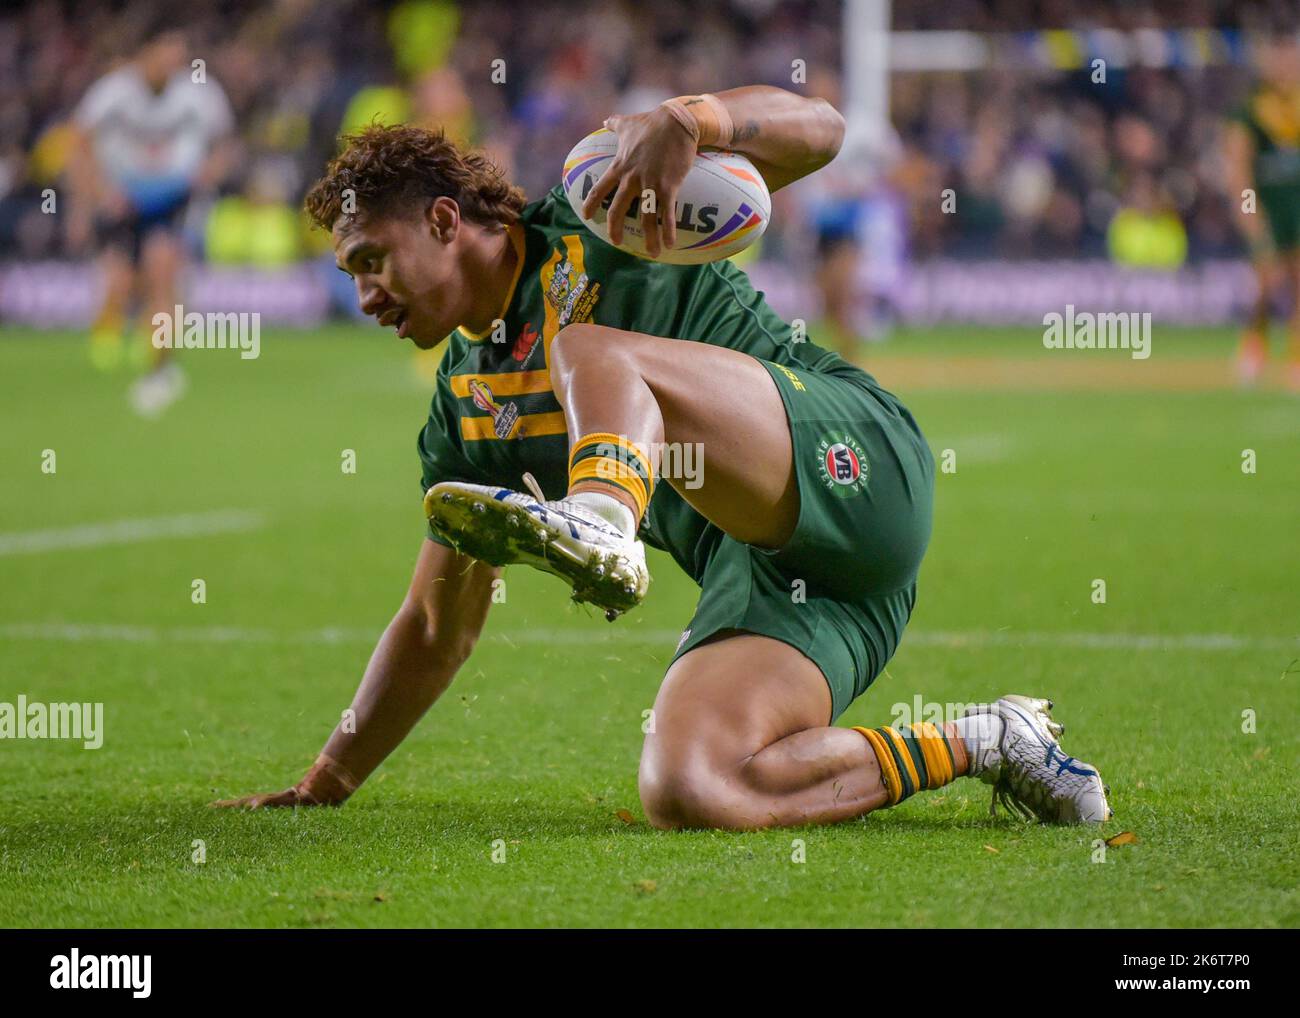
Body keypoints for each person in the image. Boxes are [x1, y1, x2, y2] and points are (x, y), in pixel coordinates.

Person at [214, 87, 1110, 828]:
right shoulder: (464, 409)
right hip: (789, 579)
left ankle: (602, 521)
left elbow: (826, 133)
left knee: (589, 351)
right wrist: (327, 778)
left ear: (446, 220)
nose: (366, 295)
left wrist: (697, 121)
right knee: (690, 786)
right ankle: (992, 741)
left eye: (373, 260)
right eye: (350, 275)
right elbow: (436, 625)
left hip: (854, 458)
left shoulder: (600, 205)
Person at [66, 28, 236, 415]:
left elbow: (226, 145)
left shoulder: (200, 93)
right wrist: (92, 197)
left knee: (163, 273)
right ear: (145, 52)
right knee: (122, 283)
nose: (174, 61)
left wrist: (205, 174)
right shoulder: (114, 92)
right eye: (167, 52)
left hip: (172, 201)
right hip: (122, 201)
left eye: (180, 53)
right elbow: (78, 143)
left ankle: (159, 371)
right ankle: (119, 340)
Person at [1225, 30, 1300, 391]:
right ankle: (1255, 341)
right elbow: (1239, 172)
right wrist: (1253, 218)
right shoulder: (1250, 111)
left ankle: (1297, 358)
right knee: (1268, 283)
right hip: (1268, 208)